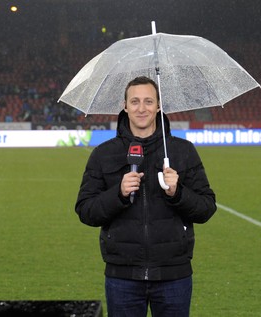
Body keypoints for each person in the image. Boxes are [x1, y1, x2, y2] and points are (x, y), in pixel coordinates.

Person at [75, 76, 217, 317]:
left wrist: (177, 192)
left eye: (149, 101)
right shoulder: (104, 153)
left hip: (174, 275)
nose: (142, 108)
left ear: (159, 106)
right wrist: (118, 194)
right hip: (122, 276)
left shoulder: (182, 151)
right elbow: (86, 211)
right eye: (135, 101)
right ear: (125, 105)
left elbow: (206, 208)